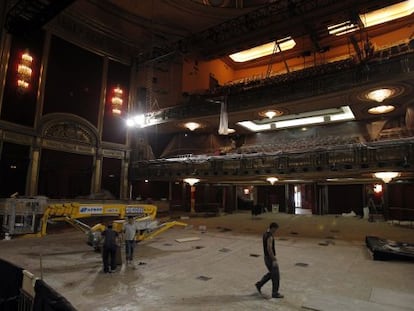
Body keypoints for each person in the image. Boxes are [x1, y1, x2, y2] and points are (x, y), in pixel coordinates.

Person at [255, 222, 283, 298]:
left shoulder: (265, 234)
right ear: (273, 228)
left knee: (272, 274)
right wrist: (274, 259)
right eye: (275, 229)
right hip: (270, 259)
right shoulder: (270, 236)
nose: (276, 231)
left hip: (266, 258)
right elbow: (269, 248)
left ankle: (259, 284)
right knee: (276, 276)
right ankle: (275, 293)